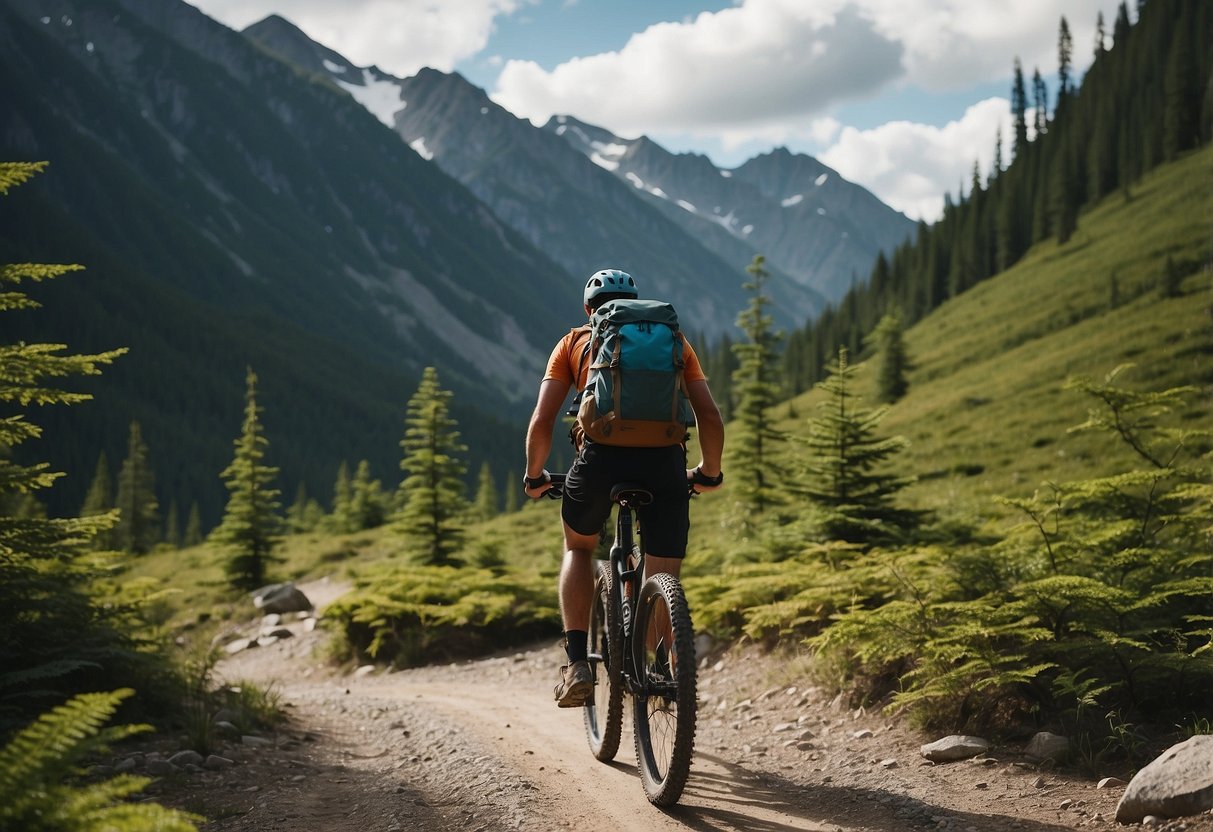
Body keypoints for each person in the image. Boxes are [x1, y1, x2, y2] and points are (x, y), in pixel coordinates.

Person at [523, 268, 725, 707]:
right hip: (665, 464)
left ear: (588, 309)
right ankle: (669, 671)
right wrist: (708, 471)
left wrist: (535, 476)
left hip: (600, 462)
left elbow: (541, 422)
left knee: (578, 548)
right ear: (635, 303)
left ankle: (577, 664)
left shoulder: (573, 343)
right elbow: (710, 416)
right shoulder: (674, 340)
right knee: (663, 572)